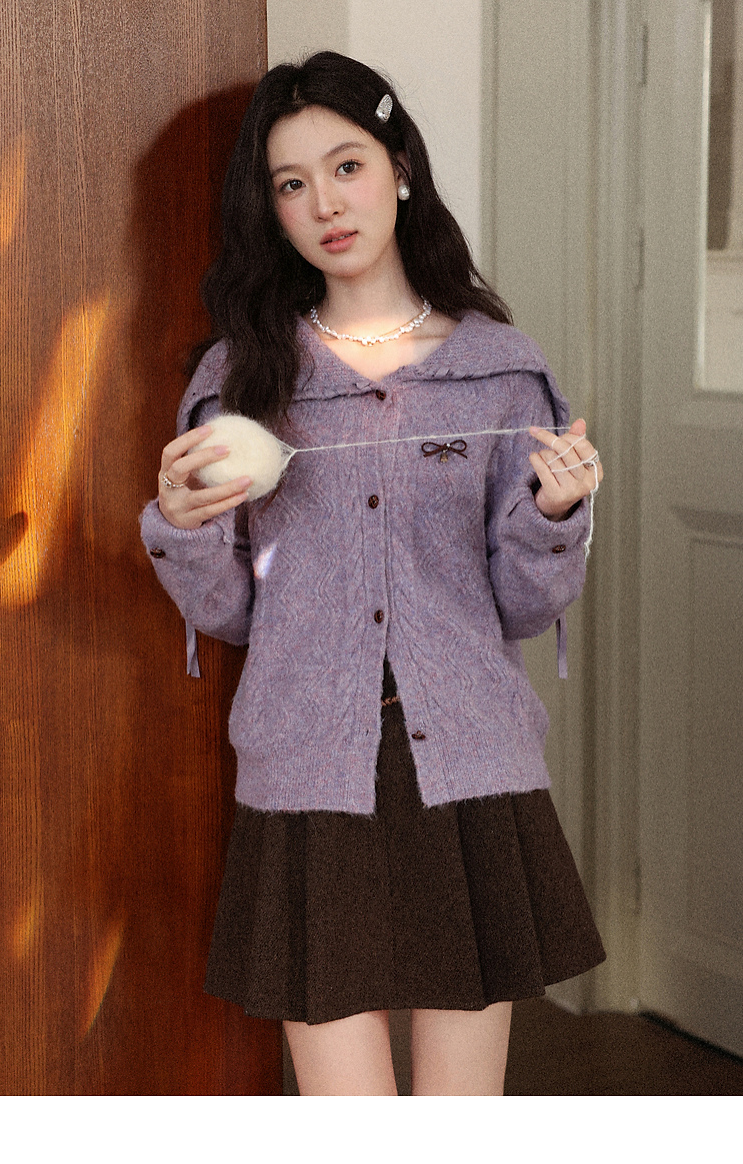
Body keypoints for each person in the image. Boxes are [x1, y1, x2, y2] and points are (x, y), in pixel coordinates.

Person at [140, 50, 605, 1096]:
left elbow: (523, 604)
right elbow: (230, 611)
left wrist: (553, 513)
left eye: (346, 166)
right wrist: (179, 524)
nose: (325, 204)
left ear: (399, 169)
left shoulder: (499, 367)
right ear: (271, 211)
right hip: (310, 767)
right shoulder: (240, 377)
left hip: (471, 768)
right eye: (290, 183)